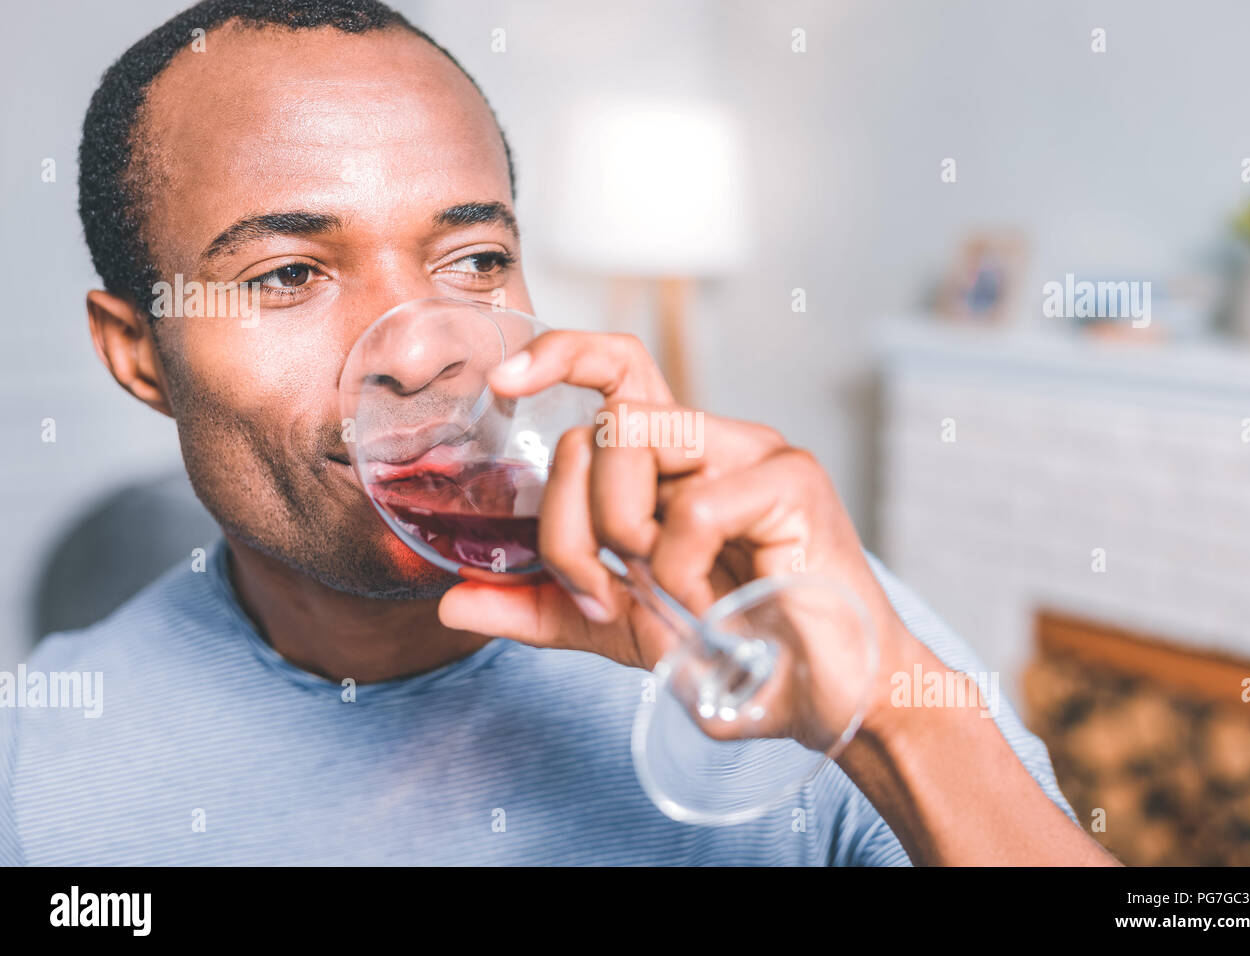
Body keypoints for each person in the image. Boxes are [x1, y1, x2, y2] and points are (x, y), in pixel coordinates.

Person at [0, 0, 1116, 866]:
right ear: (140, 353)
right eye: (289, 273)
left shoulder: (782, 617)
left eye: (473, 260)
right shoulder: (44, 765)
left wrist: (887, 721)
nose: (424, 349)